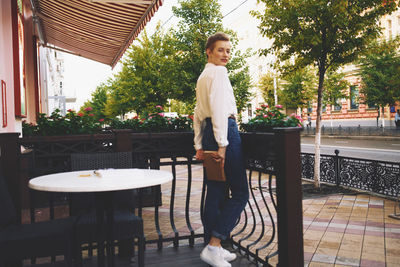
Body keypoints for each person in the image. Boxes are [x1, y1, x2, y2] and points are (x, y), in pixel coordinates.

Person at [193, 32, 249, 267]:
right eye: (220, 50)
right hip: (224, 132)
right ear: (209, 51)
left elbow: (197, 114)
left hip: (209, 135)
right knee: (240, 194)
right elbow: (217, 111)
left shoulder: (203, 75)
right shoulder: (219, 72)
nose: (225, 54)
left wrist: (199, 145)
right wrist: (223, 145)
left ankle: (211, 246)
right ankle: (215, 244)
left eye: (228, 50)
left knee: (216, 193)